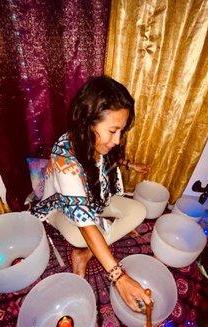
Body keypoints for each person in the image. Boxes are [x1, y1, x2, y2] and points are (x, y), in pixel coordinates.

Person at [31, 76, 152, 312]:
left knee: (139, 210)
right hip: (60, 208)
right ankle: (85, 249)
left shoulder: (98, 141)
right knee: (81, 236)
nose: (117, 140)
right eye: (114, 130)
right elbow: (86, 225)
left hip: (96, 200)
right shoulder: (67, 160)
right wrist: (120, 278)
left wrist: (130, 164)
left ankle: (88, 252)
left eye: (121, 131)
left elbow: (110, 158)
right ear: (88, 121)